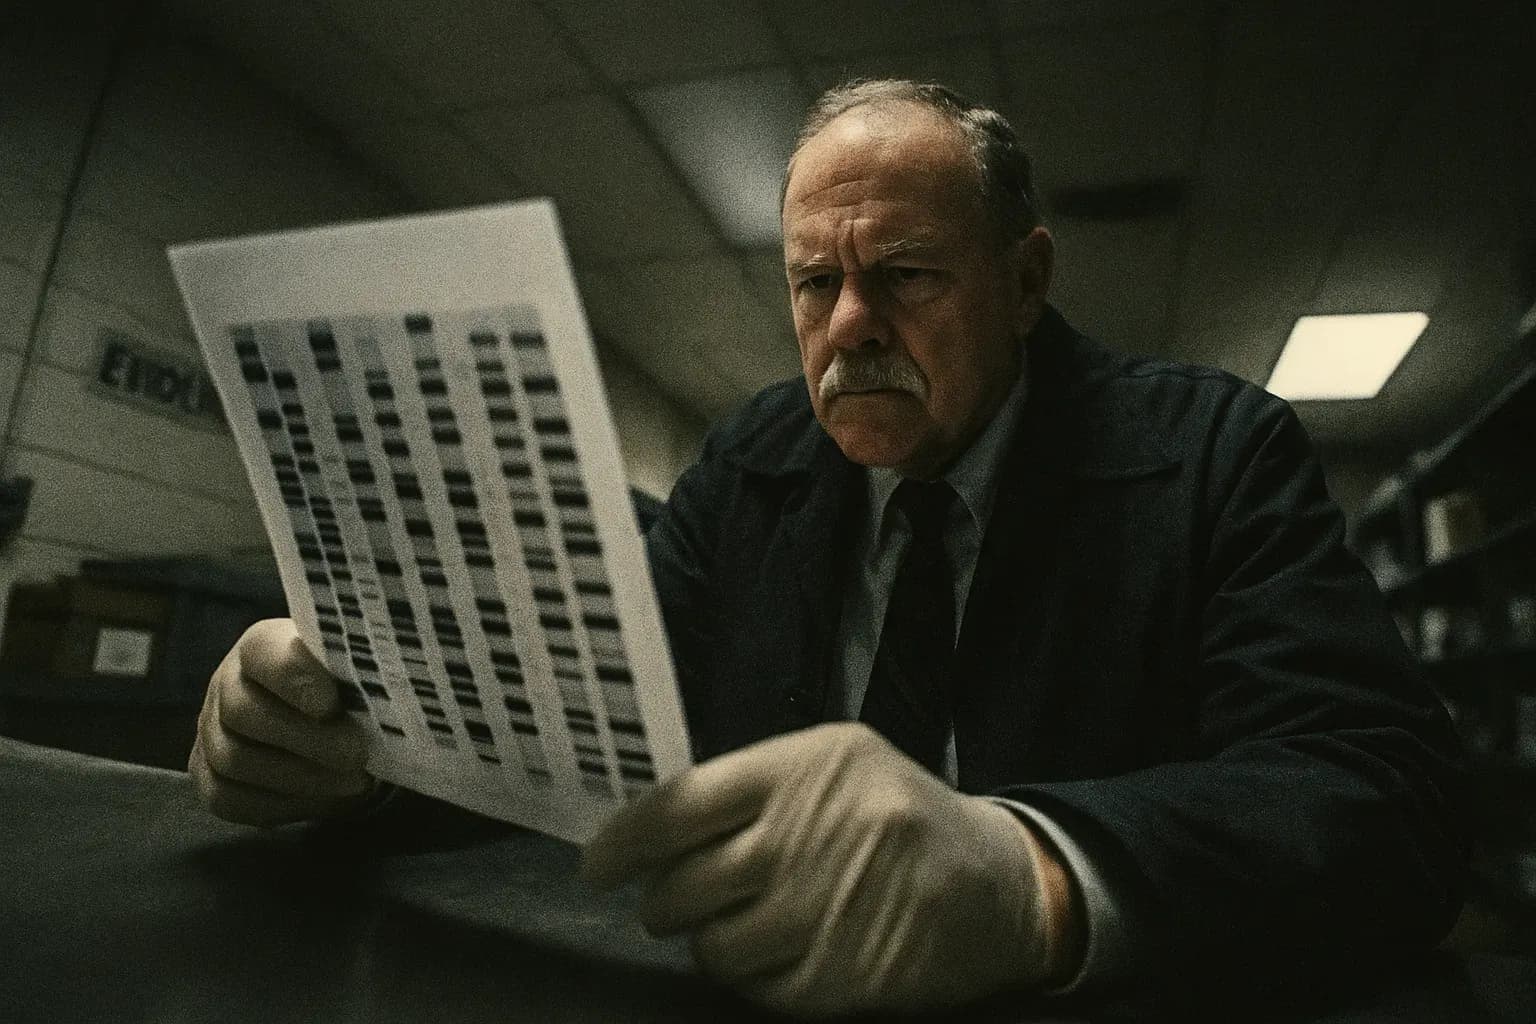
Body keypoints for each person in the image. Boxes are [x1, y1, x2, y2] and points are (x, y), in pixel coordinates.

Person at [188, 81, 1466, 1016]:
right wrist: (353, 746)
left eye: (905, 275)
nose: (850, 325)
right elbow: (586, 726)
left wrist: (1033, 875)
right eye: (813, 284)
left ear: (1025, 284)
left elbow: (1384, 796)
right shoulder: (751, 462)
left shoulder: (1213, 452)